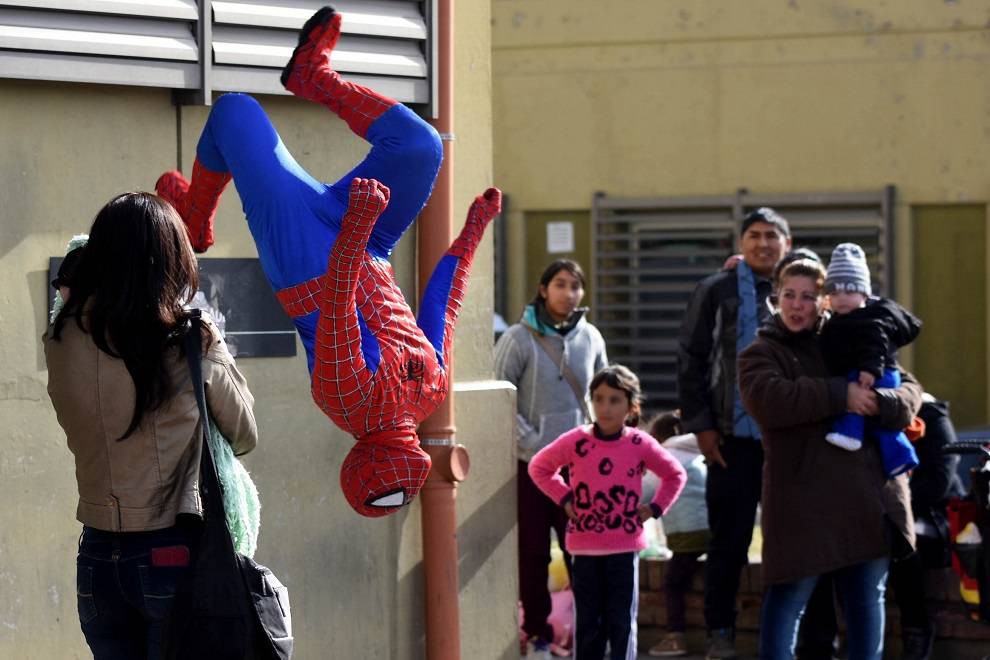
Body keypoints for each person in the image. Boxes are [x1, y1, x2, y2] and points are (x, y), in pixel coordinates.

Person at [154, 6, 501, 517]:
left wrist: (360, 222)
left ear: (365, 467)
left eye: (388, 481)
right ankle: (312, 77)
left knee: (234, 113)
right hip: (370, 245)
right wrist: (473, 231)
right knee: (420, 147)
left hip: (307, 265)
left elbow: (339, 305)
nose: (405, 469)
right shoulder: (429, 390)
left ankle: (194, 217)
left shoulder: (347, 403)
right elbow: (442, 308)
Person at [44, 192, 259, 659]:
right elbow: (244, 433)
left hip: (96, 555)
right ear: (169, 260)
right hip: (171, 548)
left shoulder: (61, 339)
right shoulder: (188, 339)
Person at [737, 258, 921, 660]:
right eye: (789, 295)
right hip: (802, 504)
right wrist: (841, 395)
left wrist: (879, 402)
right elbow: (770, 400)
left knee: (866, 603)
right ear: (776, 297)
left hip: (867, 499)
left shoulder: (853, 331)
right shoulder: (761, 352)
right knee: (787, 602)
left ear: (823, 300)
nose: (797, 305)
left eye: (808, 296)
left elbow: (910, 391)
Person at [676, 207, 792, 659]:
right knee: (729, 542)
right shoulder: (716, 290)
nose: (763, 243)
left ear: (787, 242)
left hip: (789, 442)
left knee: (795, 539)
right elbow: (690, 359)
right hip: (729, 441)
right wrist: (702, 427)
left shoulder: (800, 289)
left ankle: (797, 635)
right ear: (741, 243)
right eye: (754, 235)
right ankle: (720, 632)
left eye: (772, 236)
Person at [528, 365, 687, 660]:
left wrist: (655, 508)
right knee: (588, 625)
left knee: (621, 622)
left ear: (631, 406)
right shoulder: (576, 440)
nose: (605, 407)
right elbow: (539, 467)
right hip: (584, 551)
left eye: (614, 400)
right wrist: (564, 497)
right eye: (598, 399)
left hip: (624, 550)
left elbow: (675, 474)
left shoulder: (640, 443)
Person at [494, 259, 608, 657]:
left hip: (580, 468)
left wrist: (599, 442)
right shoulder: (517, 338)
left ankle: (586, 633)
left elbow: (603, 394)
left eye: (575, 286)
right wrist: (534, 445)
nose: (569, 294)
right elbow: (501, 397)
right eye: (560, 284)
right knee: (534, 553)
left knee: (584, 552)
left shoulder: (590, 337)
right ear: (543, 290)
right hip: (531, 467)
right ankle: (537, 632)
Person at [819, 243, 922, 477]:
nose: (841, 298)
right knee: (883, 430)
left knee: (855, 404)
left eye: (849, 292)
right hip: (876, 375)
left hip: (876, 375)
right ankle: (902, 457)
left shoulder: (868, 320)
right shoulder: (842, 320)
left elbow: (876, 344)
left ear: (864, 294)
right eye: (834, 293)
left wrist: (870, 370)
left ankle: (849, 433)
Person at [646, 411, 710, 658]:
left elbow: (645, 491)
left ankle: (675, 636)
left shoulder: (663, 457)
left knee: (673, 583)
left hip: (686, 533)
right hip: (710, 529)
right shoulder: (698, 452)